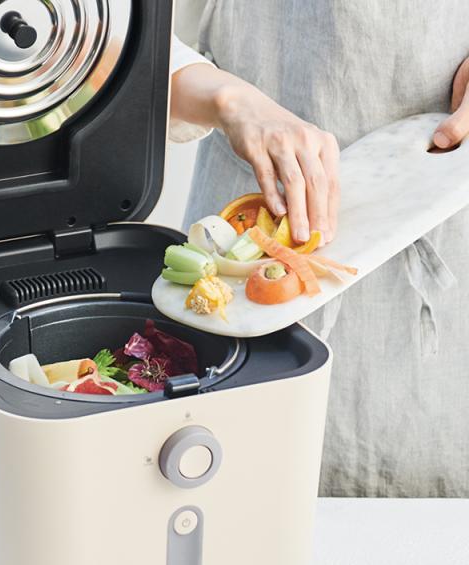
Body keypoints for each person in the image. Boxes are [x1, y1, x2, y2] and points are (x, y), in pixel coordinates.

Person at [169, 2, 469, 497]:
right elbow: (114, 33)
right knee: (233, 497)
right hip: (251, 242)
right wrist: (228, 99)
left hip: (447, 221)